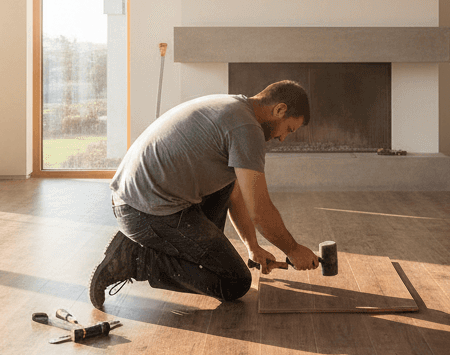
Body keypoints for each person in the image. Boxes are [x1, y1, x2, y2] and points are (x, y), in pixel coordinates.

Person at [88, 80, 320, 308]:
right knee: (234, 283)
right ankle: (136, 259)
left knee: (215, 238)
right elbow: (260, 211)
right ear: (279, 110)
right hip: (143, 211)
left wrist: (253, 247)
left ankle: (152, 247)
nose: (282, 138)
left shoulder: (234, 107)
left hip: (136, 201)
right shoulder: (247, 129)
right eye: (288, 129)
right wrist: (293, 249)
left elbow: (235, 194)